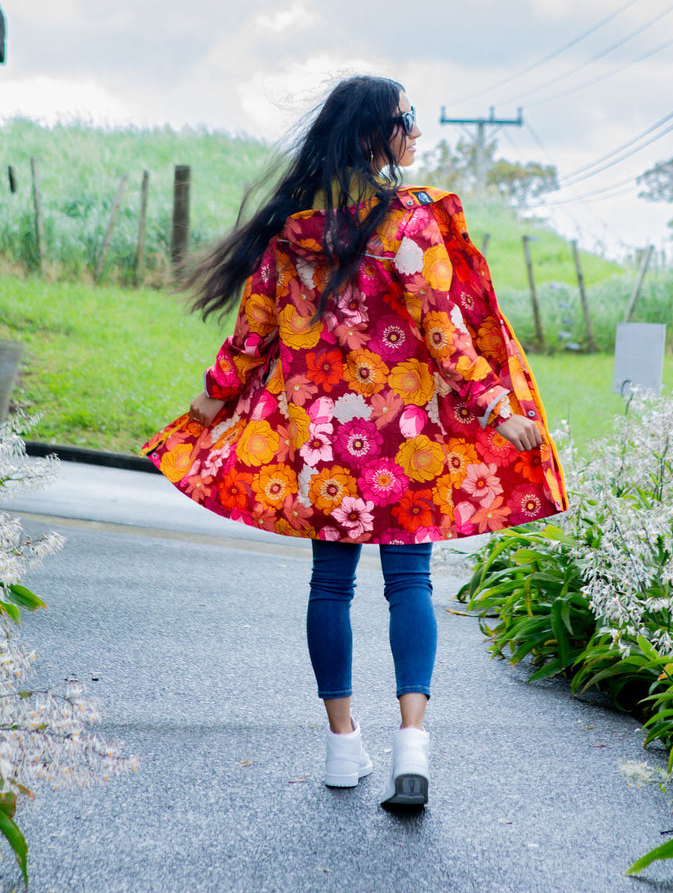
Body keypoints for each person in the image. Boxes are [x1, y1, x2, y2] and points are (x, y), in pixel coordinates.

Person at [143, 75, 567, 810]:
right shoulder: (410, 225)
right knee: (409, 585)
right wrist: (495, 405)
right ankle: (413, 745)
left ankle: (342, 747)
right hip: (407, 448)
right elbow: (444, 331)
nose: (418, 133)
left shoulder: (293, 232)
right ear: (378, 134)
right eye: (410, 119)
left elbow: (251, 338)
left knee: (329, 587)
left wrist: (209, 402)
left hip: (324, 449)